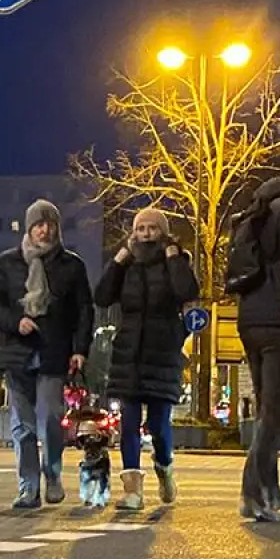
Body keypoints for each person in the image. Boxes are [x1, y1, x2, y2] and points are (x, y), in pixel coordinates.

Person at [0, 199, 94, 509]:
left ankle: (53, 473)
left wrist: (80, 350)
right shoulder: (8, 263)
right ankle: (28, 487)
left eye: (50, 225)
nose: (44, 230)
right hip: (16, 353)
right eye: (39, 224)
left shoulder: (72, 266)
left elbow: (84, 311)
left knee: (49, 419)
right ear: (29, 228)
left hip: (53, 352)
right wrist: (14, 322)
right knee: (22, 426)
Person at [93, 207, 198, 511]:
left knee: (158, 423)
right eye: (141, 228)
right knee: (127, 423)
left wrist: (175, 257)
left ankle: (164, 466)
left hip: (162, 352)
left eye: (153, 228)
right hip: (128, 352)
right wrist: (118, 260)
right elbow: (102, 296)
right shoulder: (128, 265)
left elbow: (187, 291)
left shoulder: (174, 262)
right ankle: (132, 491)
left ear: (163, 232)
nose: (146, 234)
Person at [229, 147, 280, 521]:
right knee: (276, 411)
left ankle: (272, 488)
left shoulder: (261, 203)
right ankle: (254, 492)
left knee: (267, 406)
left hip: (251, 318)